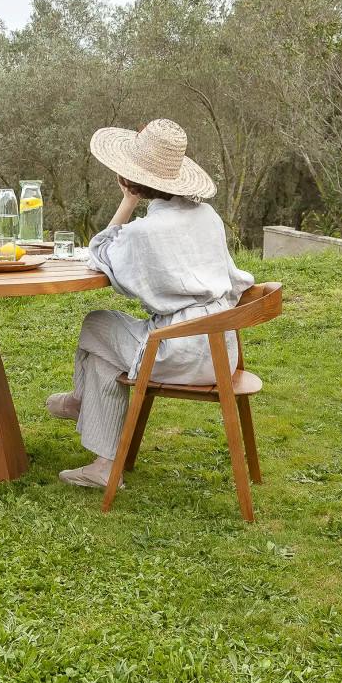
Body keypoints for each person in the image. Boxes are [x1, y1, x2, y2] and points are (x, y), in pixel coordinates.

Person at [47, 118, 254, 489]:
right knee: (102, 341)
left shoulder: (147, 232)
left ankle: (88, 418)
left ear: (129, 178)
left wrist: (126, 202)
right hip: (221, 348)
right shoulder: (208, 216)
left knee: (96, 327)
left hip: (179, 349)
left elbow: (101, 253)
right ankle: (94, 439)